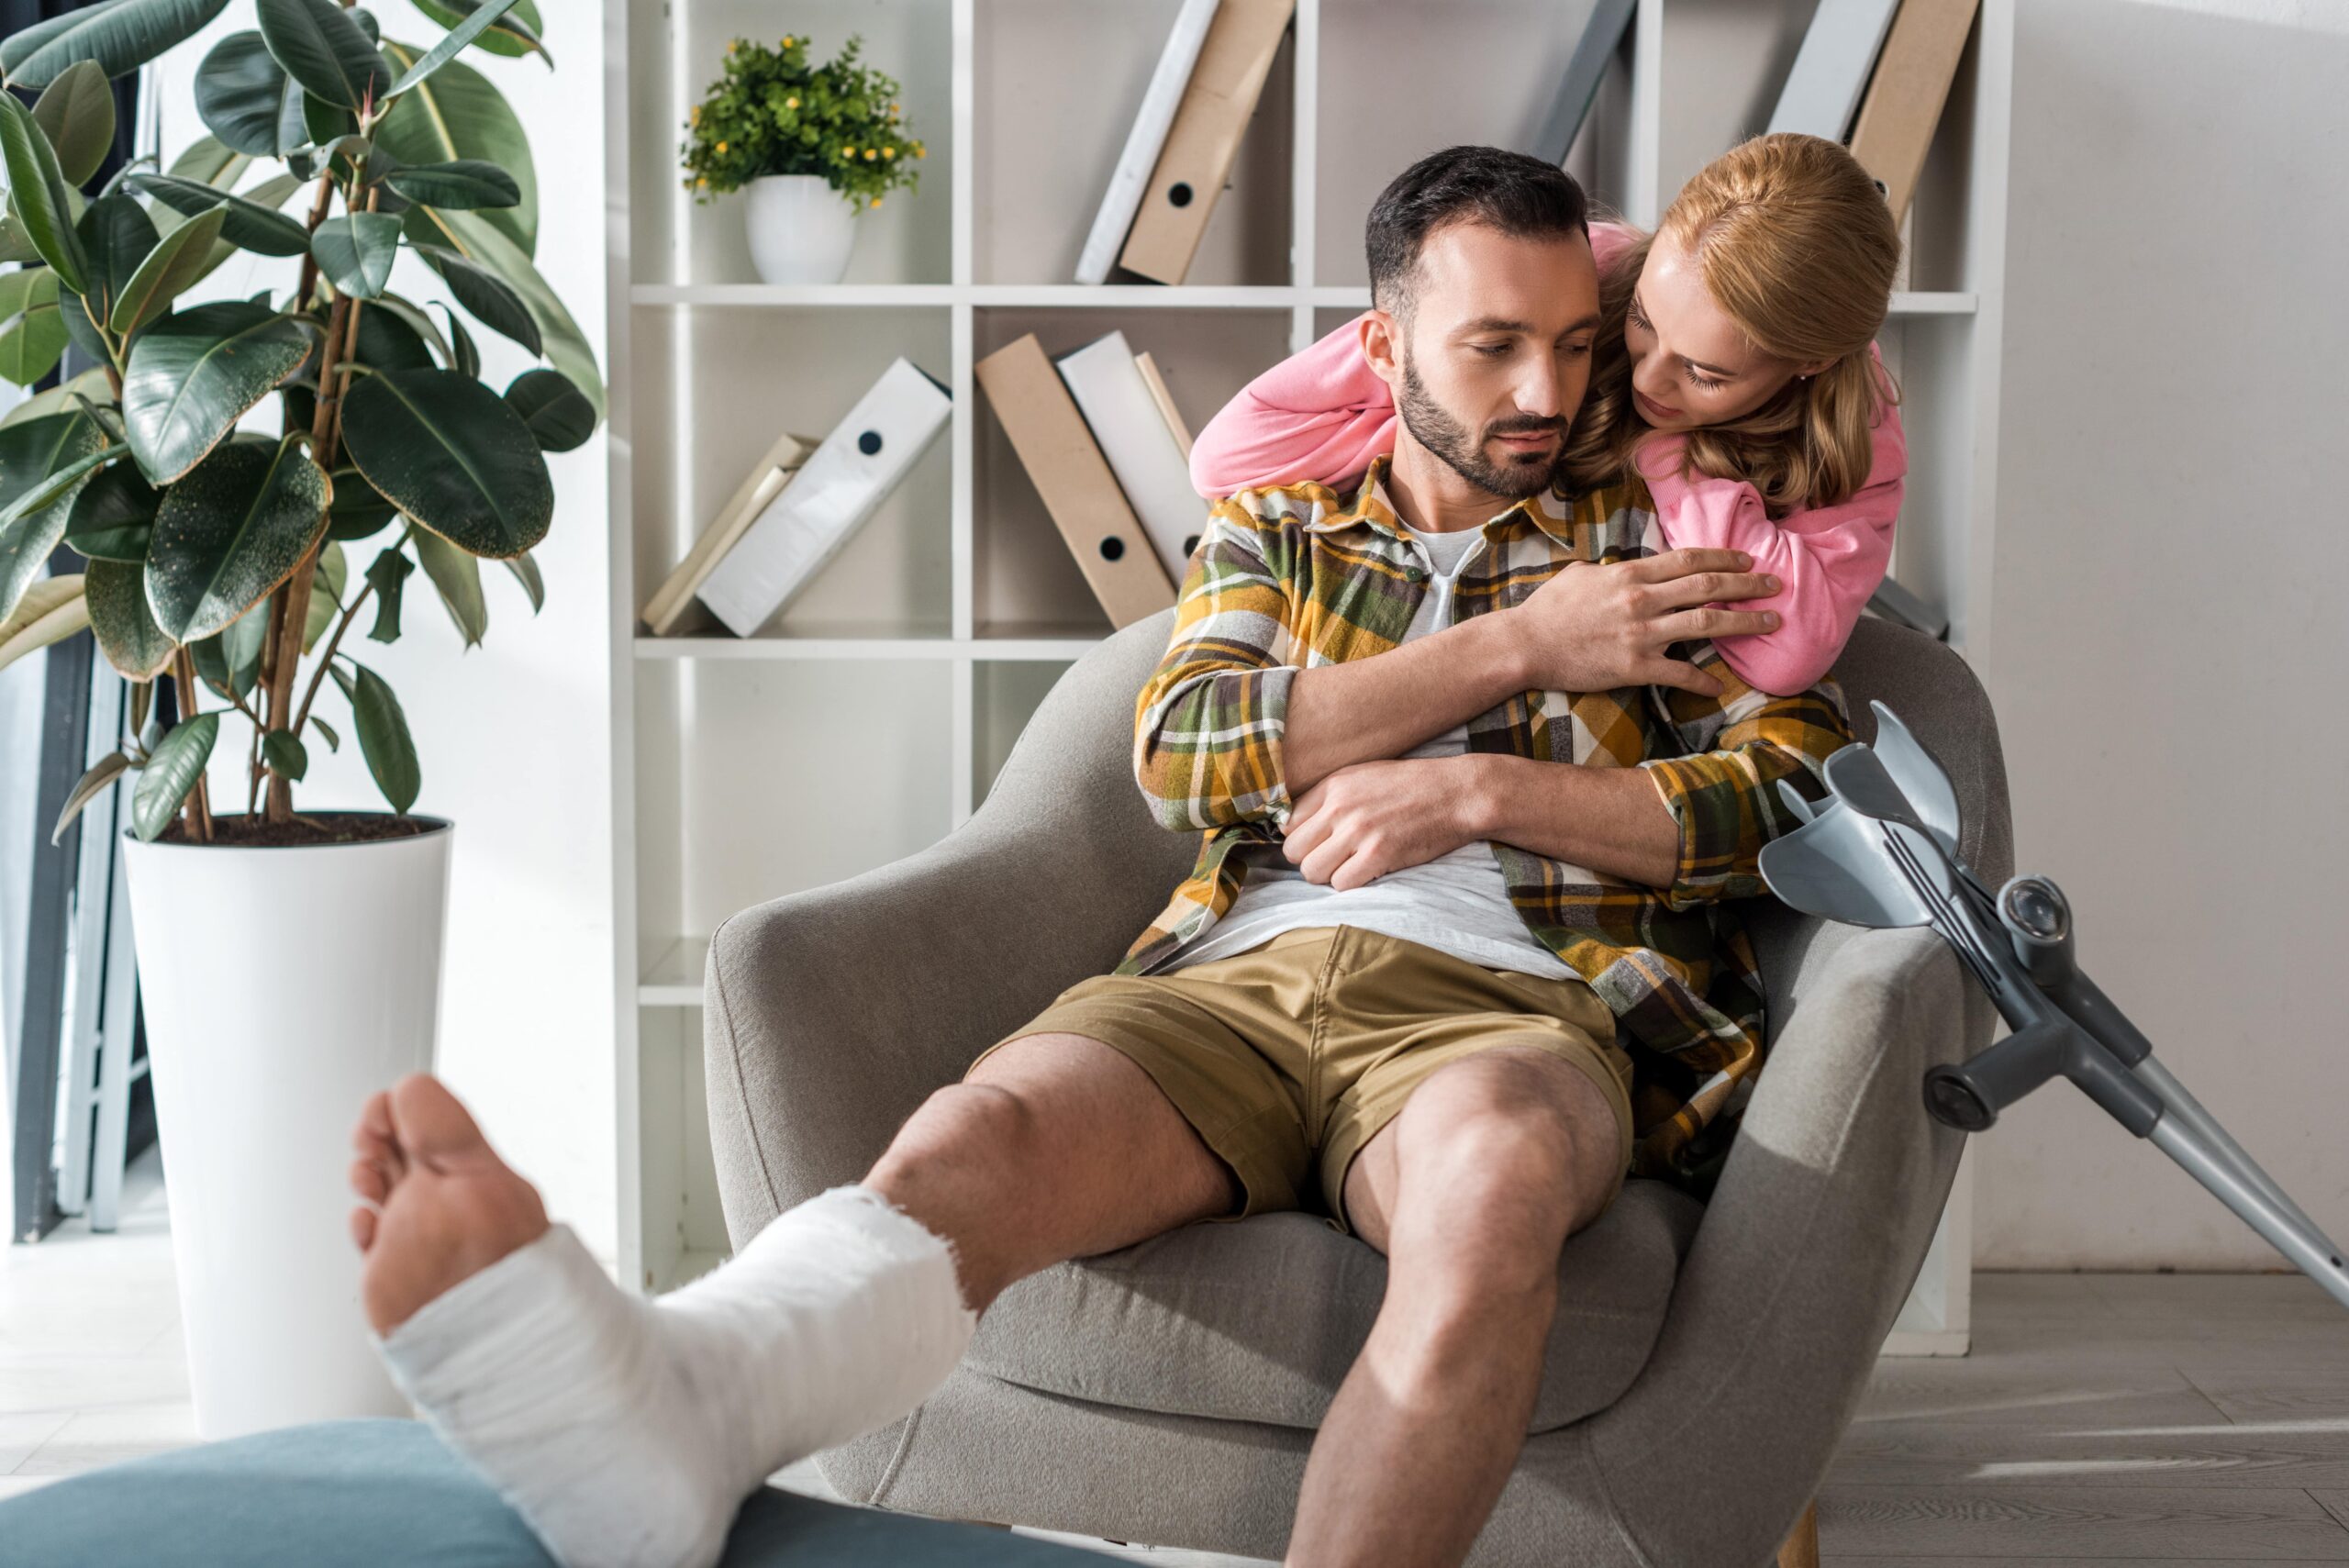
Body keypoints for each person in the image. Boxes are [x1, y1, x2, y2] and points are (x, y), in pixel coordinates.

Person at [345, 144, 1853, 1568]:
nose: (1550, 389)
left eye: (1579, 345)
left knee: (1497, 1184)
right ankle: (692, 1399)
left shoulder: (1659, 535)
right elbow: (1183, 746)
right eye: (1496, 345)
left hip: (1521, 998)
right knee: (978, 1138)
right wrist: (1518, 646)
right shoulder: (1283, 527)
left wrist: (1480, 798)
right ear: (1386, 351)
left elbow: (1789, 788)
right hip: (1240, 971)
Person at [1190, 130, 1907, 696]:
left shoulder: (1850, 428)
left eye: (1704, 373)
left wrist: (1666, 457)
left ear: (1807, 364)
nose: (1647, 380)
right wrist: (1457, 433)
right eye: (1638, 323)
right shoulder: (1580, 269)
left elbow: (1787, 650)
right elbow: (1229, 457)